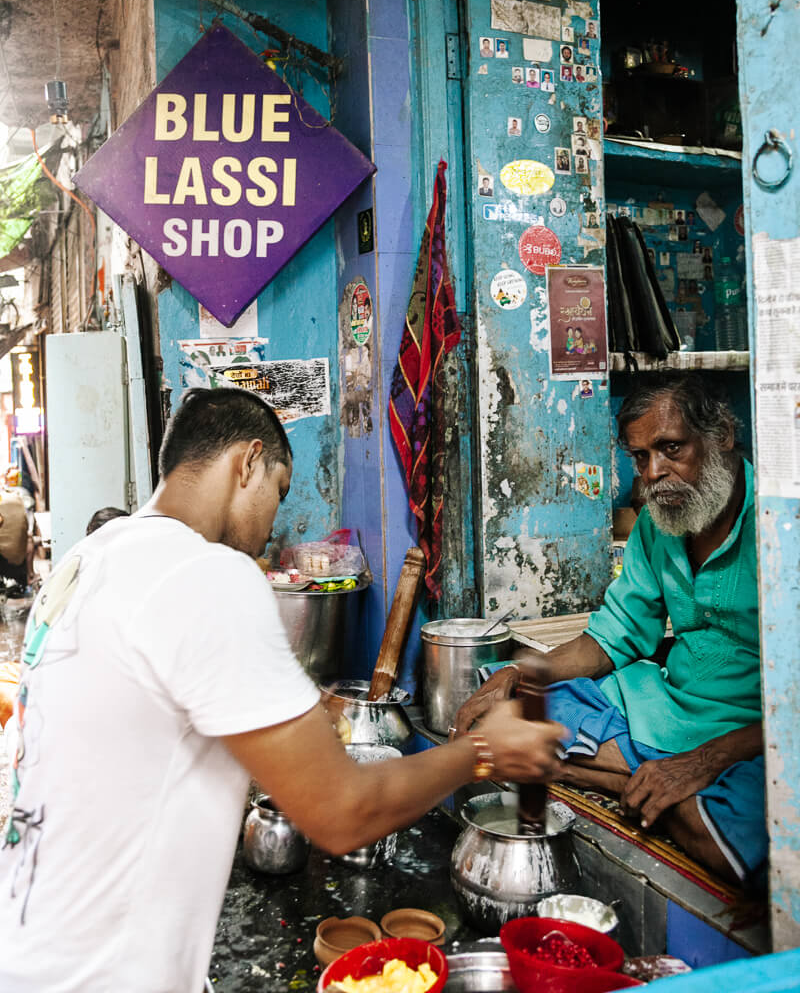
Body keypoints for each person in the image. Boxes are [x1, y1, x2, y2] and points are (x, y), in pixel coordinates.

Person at [0, 387, 563, 991]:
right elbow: (343, 814)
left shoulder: (86, 560)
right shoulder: (207, 573)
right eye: (280, 488)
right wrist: (484, 754)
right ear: (246, 463)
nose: (275, 523)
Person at [455, 373, 765, 886]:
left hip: (752, 736)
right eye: (641, 457)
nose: (654, 474)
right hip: (666, 708)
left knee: (724, 829)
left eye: (671, 449)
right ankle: (646, 784)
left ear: (722, 437)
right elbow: (614, 635)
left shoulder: (777, 521)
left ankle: (630, 780)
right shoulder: (658, 523)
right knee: (503, 722)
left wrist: (704, 761)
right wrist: (520, 671)